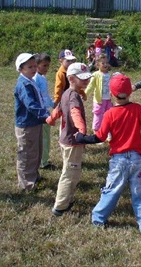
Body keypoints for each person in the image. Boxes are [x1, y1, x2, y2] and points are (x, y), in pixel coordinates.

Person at [75, 73, 141, 234]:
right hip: (137, 160)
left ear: (111, 94)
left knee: (112, 190)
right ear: (130, 93)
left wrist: (82, 138)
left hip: (118, 161)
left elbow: (99, 137)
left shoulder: (109, 114)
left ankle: (98, 219)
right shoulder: (137, 109)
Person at [46, 63, 93, 216]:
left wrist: (51, 119)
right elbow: (75, 112)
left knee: (74, 170)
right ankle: (60, 206)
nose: (86, 81)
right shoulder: (73, 96)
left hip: (66, 139)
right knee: (69, 173)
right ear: (71, 78)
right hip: (73, 141)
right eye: (83, 79)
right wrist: (81, 130)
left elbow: (59, 109)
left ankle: (68, 198)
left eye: (87, 78)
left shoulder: (67, 93)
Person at [14, 53, 51, 192]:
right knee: (27, 154)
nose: (34, 68)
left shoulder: (31, 81)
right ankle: (26, 184)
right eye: (30, 67)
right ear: (21, 69)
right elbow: (31, 104)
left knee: (36, 151)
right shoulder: (23, 84)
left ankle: (34, 176)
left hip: (35, 123)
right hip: (27, 125)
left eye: (35, 66)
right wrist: (45, 115)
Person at [33, 53, 55, 170]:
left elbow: (45, 95)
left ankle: (44, 159)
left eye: (48, 66)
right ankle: (43, 162)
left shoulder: (42, 77)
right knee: (44, 138)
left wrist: (52, 103)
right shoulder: (36, 78)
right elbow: (37, 96)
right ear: (36, 65)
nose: (47, 68)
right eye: (44, 65)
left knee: (46, 136)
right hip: (42, 113)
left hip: (46, 111)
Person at [85, 54, 113, 132]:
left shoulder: (110, 75)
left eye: (106, 63)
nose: (105, 65)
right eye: (103, 63)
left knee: (109, 115)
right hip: (99, 100)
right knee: (98, 115)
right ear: (97, 64)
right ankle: (96, 131)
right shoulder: (95, 75)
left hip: (109, 100)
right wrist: (85, 94)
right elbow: (90, 86)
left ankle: (107, 131)